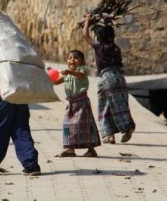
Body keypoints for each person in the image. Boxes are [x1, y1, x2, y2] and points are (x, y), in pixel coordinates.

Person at [82, 13, 136, 144]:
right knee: (120, 105)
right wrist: (106, 21)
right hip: (120, 79)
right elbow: (108, 32)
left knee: (104, 106)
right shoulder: (116, 48)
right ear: (113, 37)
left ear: (99, 38)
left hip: (107, 79)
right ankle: (124, 128)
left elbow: (85, 35)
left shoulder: (98, 47)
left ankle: (111, 134)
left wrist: (87, 20)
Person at [49, 50, 101, 157]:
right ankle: (70, 149)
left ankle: (91, 149)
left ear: (82, 61)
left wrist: (69, 72)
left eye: (76, 58)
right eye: (70, 58)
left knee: (83, 125)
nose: (72, 60)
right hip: (71, 104)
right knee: (68, 124)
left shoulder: (83, 70)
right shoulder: (67, 75)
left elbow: (81, 75)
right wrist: (50, 74)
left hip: (82, 103)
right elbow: (56, 82)